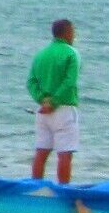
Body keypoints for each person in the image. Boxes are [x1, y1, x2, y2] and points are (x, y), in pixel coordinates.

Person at [28, 17, 80, 184]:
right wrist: (54, 101)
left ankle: (35, 188)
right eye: (73, 32)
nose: (74, 36)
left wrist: (42, 99)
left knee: (41, 152)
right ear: (67, 33)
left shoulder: (40, 55)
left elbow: (31, 82)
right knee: (65, 154)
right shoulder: (71, 53)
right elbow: (70, 81)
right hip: (64, 108)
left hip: (43, 110)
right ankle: (63, 190)